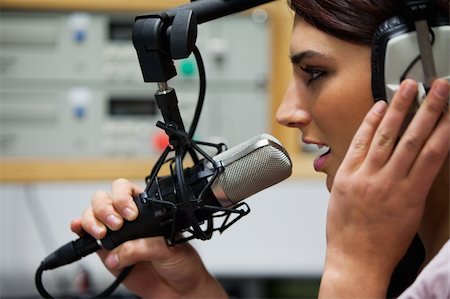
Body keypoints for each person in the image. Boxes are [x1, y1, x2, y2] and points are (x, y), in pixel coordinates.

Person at [70, 0, 449, 298]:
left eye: (314, 72)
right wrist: (189, 293)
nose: (287, 113)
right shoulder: (415, 260)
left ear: (419, 73)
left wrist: (353, 270)